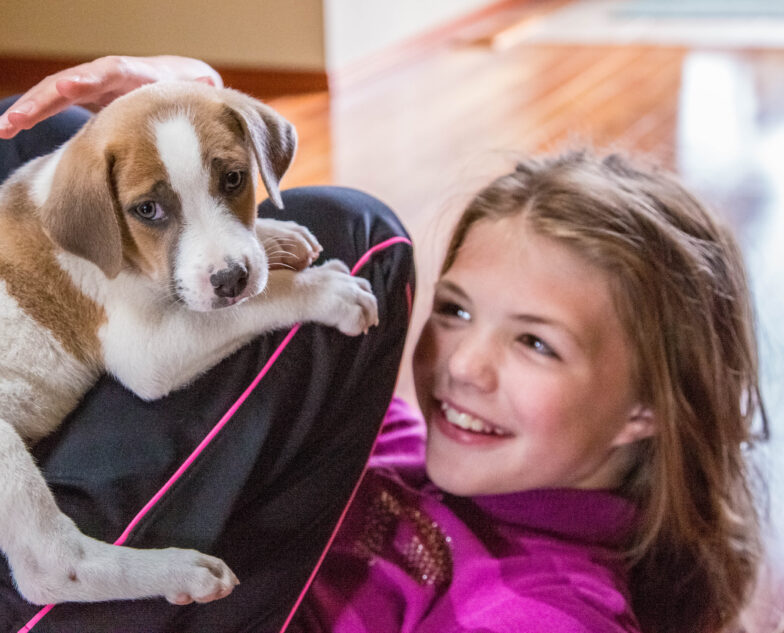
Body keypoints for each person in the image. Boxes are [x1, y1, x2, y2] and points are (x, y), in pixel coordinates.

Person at [0, 55, 415, 632]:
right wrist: (300, 296)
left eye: (233, 182)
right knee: (362, 236)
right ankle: (58, 564)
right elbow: (150, 366)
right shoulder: (77, 222)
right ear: (100, 213)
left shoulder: (80, 192)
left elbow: (170, 217)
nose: (225, 257)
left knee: (27, 128)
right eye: (152, 211)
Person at [289, 150, 766, 633]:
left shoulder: (547, 614)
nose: (462, 364)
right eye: (456, 310)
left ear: (645, 408)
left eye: (536, 343)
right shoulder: (382, 437)